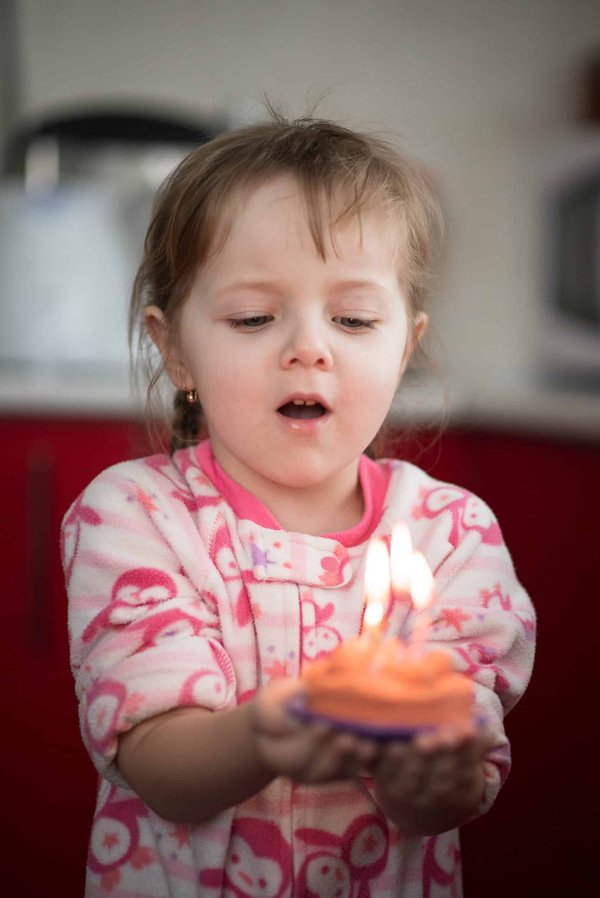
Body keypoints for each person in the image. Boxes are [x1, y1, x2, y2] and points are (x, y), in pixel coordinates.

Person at [61, 113, 535, 898]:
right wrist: (274, 732)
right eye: (253, 318)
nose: (309, 347)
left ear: (404, 346)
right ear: (174, 346)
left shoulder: (454, 537)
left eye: (353, 319)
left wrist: (429, 769)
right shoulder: (135, 517)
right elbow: (164, 774)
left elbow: (447, 802)